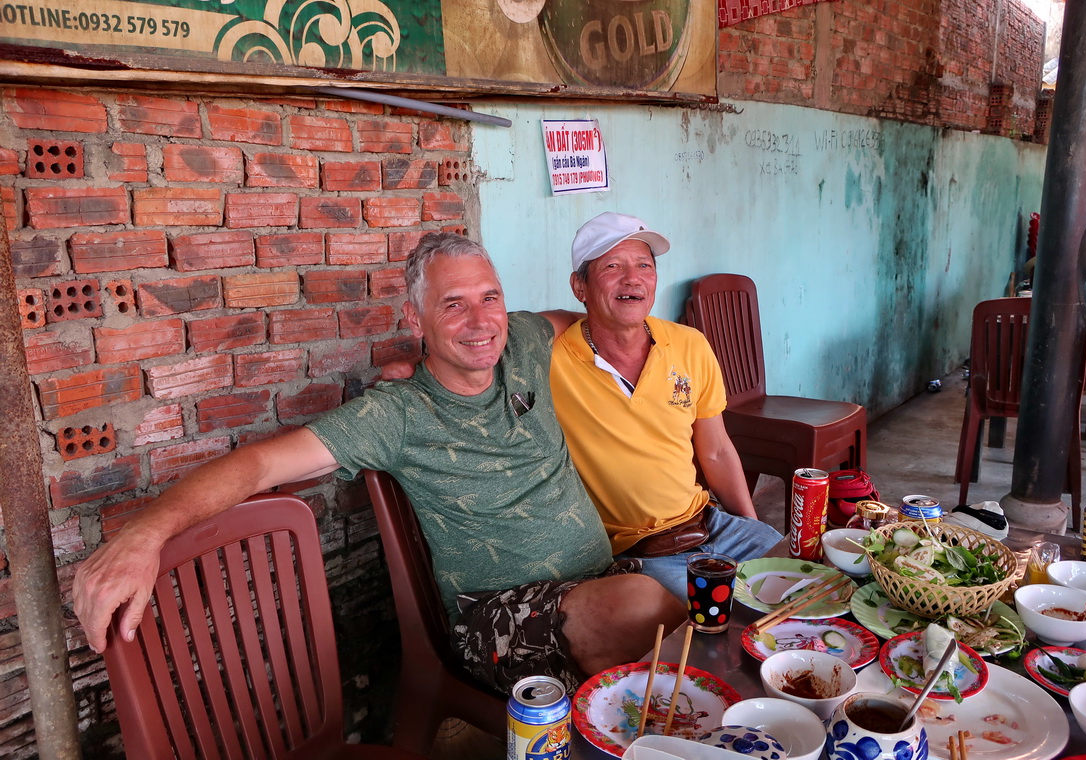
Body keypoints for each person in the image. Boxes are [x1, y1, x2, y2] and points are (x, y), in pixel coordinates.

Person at [72, 231, 685, 695]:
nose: (481, 322)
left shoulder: (524, 339)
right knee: (649, 613)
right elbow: (259, 466)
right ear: (414, 320)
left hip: (600, 575)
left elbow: (578, 318)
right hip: (499, 621)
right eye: (453, 306)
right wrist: (143, 535)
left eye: (489, 297)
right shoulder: (396, 414)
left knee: (717, 603)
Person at [549, 212, 782, 600]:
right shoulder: (553, 356)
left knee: (799, 577)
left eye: (644, 265)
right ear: (580, 286)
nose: (632, 278)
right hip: (638, 555)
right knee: (710, 622)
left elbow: (717, 449)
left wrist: (750, 530)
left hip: (711, 524)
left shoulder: (689, 344)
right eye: (612, 266)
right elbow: (491, 336)